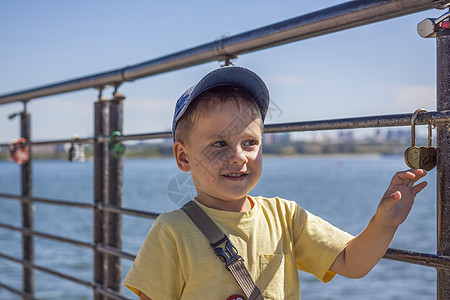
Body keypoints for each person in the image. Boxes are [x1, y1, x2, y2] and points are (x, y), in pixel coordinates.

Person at [123, 66, 427, 300]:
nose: (238, 157)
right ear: (184, 157)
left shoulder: (285, 216)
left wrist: (385, 222)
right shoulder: (171, 231)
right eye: (219, 144)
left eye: (250, 142)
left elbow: (352, 262)